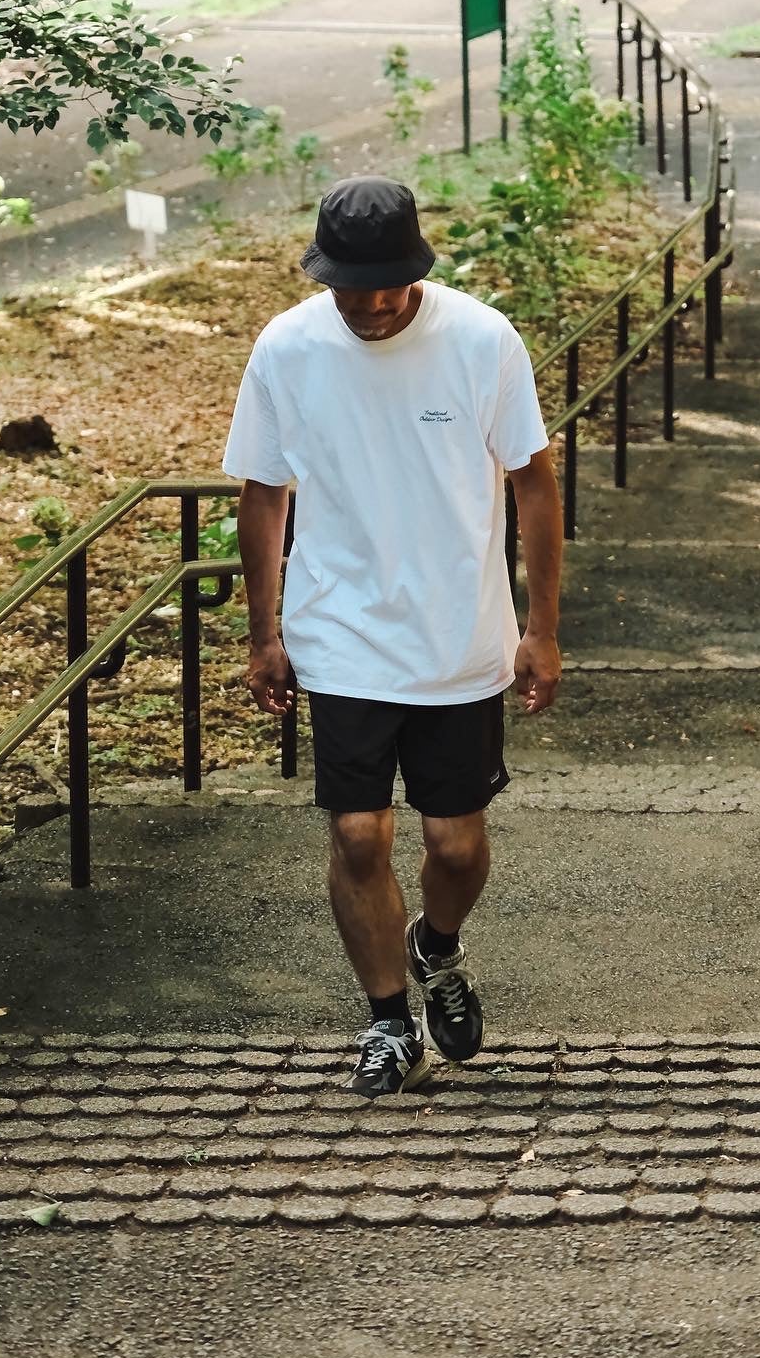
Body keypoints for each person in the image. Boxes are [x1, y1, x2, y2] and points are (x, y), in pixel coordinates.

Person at [222, 174, 564, 1098]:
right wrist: (265, 635)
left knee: (454, 845)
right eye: (354, 290)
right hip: (342, 634)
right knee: (362, 836)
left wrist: (542, 628)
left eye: (391, 288)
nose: (374, 307)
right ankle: (386, 1022)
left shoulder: (482, 339)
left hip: (461, 636)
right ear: (322, 272)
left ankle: (437, 949)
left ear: (418, 268)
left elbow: (534, 481)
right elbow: (262, 492)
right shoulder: (287, 348)